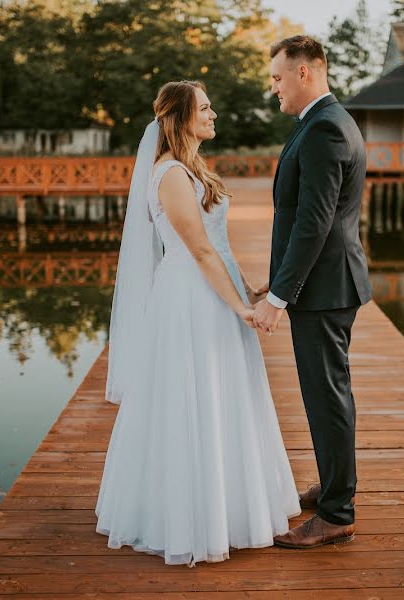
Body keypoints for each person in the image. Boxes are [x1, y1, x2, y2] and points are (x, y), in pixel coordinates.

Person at [95, 80, 301, 567]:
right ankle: (189, 518)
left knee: (225, 394)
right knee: (193, 395)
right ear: (182, 117)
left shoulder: (191, 168)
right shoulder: (168, 174)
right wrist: (240, 308)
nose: (213, 114)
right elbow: (198, 249)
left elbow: (218, 246)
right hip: (191, 298)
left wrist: (247, 287)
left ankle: (229, 508)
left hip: (216, 288)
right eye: (204, 108)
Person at [252, 35, 373, 549]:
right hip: (323, 285)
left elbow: (314, 222)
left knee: (326, 397)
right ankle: (333, 485)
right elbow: (304, 216)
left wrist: (279, 299)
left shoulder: (325, 129)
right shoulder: (320, 122)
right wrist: (276, 281)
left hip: (324, 289)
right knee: (329, 393)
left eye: (278, 77)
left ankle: (337, 512)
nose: (273, 87)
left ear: (305, 73)